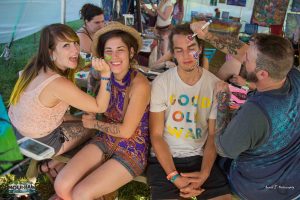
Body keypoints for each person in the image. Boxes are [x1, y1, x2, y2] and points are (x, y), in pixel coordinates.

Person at [191, 21, 300, 200]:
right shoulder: (292, 75)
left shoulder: (256, 112)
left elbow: (222, 148)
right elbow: (242, 52)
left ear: (262, 74)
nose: (243, 59)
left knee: (203, 150)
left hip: (260, 189)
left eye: (248, 60)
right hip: (293, 180)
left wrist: (222, 101)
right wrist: (208, 36)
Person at [54, 22, 151, 200]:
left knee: (81, 194)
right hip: (105, 140)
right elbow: (93, 100)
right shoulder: (104, 75)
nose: (114, 56)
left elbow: (126, 131)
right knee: (61, 186)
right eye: (108, 51)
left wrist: (94, 123)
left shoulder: (140, 84)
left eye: (120, 49)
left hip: (132, 150)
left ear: (131, 52)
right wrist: (91, 112)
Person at [8, 23, 111, 176]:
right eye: (66, 46)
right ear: (51, 53)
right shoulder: (57, 83)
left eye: (75, 43)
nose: (76, 49)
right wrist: (106, 73)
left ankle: (49, 167)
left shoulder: (33, 67)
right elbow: (100, 106)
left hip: (17, 133)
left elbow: (55, 114)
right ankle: (52, 165)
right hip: (42, 143)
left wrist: (79, 118)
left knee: (83, 118)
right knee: (94, 127)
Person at [146, 23, 231, 200]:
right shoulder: (162, 83)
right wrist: (174, 176)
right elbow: (156, 135)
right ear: (173, 53)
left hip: (200, 158)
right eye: (179, 50)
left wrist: (205, 173)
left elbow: (213, 135)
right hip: (165, 159)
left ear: (200, 49)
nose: (186, 56)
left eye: (191, 48)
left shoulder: (214, 85)